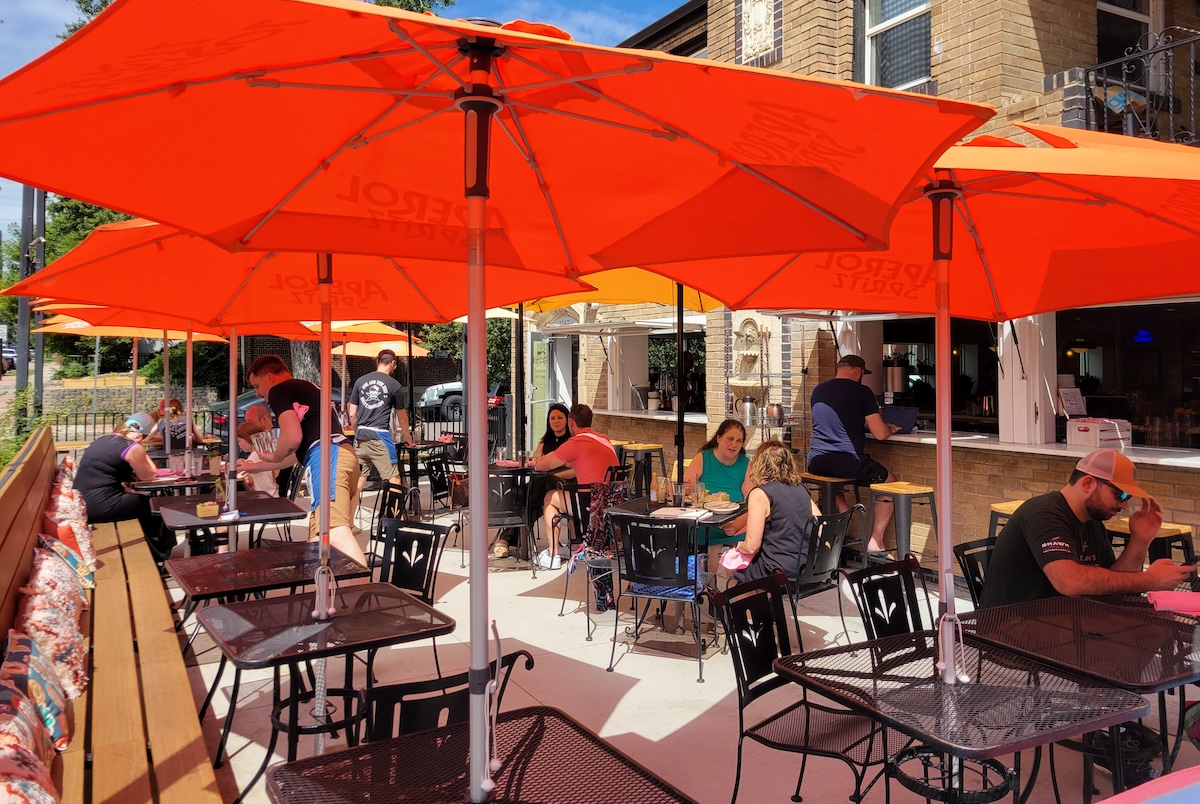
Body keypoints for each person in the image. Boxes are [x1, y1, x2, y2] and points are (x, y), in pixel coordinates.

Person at [979, 449, 1193, 607]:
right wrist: (1151, 580)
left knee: (1155, 627)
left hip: (1062, 619)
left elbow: (1111, 583)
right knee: (1141, 635)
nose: (1125, 505)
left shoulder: (1092, 520)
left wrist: (1140, 539)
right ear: (1088, 483)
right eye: (1121, 494)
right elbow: (1069, 582)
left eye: (1128, 497)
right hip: (1012, 626)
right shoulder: (1043, 514)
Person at [234, 355, 366, 566]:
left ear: (270, 378)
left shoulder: (279, 390)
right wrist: (256, 466)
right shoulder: (306, 388)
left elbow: (292, 438)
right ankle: (322, 588)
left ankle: (364, 586)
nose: (257, 393)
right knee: (316, 540)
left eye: (257, 386)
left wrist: (274, 454)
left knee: (336, 533)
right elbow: (297, 453)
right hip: (340, 454)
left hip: (327, 458)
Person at [807, 354, 900, 554]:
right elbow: (880, 434)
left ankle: (843, 508)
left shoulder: (819, 390)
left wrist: (862, 424)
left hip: (816, 462)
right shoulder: (862, 392)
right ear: (858, 371)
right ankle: (875, 542)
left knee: (832, 481)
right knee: (891, 482)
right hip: (848, 463)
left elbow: (834, 421)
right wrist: (889, 428)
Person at [73, 412, 175, 563]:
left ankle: (155, 553)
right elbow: (149, 475)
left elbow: (103, 476)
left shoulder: (102, 439)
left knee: (142, 502)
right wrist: (139, 447)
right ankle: (159, 555)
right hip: (100, 506)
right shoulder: (131, 447)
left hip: (82, 502)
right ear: (141, 435)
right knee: (155, 506)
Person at [533, 403, 619, 568]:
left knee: (550, 497)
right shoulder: (604, 438)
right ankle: (573, 545)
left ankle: (553, 554)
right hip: (612, 502)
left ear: (571, 422)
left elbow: (542, 465)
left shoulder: (576, 442)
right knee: (570, 493)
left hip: (592, 504)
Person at [726, 439, 821, 585]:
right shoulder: (801, 489)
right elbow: (821, 525)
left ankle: (747, 599)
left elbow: (751, 547)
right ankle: (764, 599)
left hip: (780, 569)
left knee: (732, 566)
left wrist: (737, 546)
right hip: (810, 566)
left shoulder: (760, 494)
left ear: (759, 463)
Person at [496, 402, 572, 559]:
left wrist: (556, 474)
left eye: (560, 417)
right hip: (543, 487)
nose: (556, 421)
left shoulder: (571, 442)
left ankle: (505, 538)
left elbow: (574, 470)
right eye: (552, 418)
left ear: (567, 420)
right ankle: (512, 536)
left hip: (564, 485)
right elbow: (537, 464)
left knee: (528, 493)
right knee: (528, 498)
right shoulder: (544, 442)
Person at [684, 419, 752, 569]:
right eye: (730, 439)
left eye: (739, 441)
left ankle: (735, 582)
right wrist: (688, 489)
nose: (734, 444)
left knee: (743, 546)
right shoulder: (703, 458)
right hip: (705, 520)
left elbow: (752, 502)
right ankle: (710, 583)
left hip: (734, 521)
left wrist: (736, 524)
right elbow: (687, 489)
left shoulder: (745, 464)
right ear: (719, 438)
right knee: (711, 547)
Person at [347, 348, 406, 499]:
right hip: (380, 437)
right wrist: (408, 438)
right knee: (394, 479)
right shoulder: (394, 386)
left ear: (377, 361)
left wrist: (356, 431)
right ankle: (394, 513)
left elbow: (352, 413)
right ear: (393, 363)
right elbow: (402, 418)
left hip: (361, 436)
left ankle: (348, 514)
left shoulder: (360, 381)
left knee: (359, 480)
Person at [236, 402, 278, 497]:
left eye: (250, 422)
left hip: (265, 496)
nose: (247, 425)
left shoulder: (270, 446)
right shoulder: (266, 447)